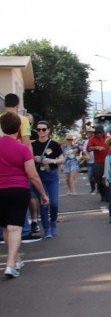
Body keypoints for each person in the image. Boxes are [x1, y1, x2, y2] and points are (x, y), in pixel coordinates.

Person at [0, 113, 49, 278]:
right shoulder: (22, 149)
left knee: (6, 227)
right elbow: (32, 175)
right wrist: (43, 194)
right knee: (16, 227)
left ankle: (16, 259)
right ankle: (10, 264)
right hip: (18, 190)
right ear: (19, 129)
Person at [0, 93, 39, 243]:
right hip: (18, 162)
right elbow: (26, 143)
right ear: (18, 104)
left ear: (5, 104)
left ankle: (3, 234)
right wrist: (30, 162)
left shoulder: (1, 118)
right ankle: (24, 231)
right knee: (22, 197)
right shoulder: (21, 120)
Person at [30, 120, 63, 238]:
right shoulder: (33, 145)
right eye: (38, 130)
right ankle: (47, 229)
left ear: (48, 130)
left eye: (44, 129)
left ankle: (53, 222)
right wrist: (35, 158)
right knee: (44, 203)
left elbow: (62, 159)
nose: (41, 132)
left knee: (54, 203)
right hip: (39, 176)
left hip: (52, 175)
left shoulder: (54, 144)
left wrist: (52, 160)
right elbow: (28, 159)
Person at [87, 126, 109, 202]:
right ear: (95, 133)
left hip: (108, 161)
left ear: (103, 132)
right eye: (97, 133)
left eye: (101, 133)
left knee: (108, 179)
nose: (99, 134)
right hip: (99, 163)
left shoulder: (107, 138)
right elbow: (88, 149)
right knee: (99, 180)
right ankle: (103, 195)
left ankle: (108, 195)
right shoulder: (92, 139)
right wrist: (96, 147)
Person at [82, 127, 96, 194]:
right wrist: (87, 155)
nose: (91, 134)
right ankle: (93, 188)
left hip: (97, 161)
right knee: (90, 176)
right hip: (90, 162)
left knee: (98, 176)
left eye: (92, 133)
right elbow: (84, 150)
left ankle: (99, 189)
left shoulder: (97, 140)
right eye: (90, 132)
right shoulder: (86, 141)